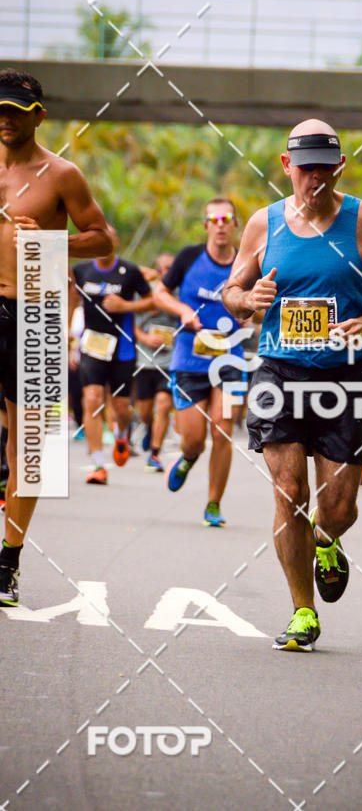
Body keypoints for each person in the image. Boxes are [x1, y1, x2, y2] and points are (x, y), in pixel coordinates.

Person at [223, 119, 362, 651]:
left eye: (326, 168)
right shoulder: (264, 224)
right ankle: (303, 611)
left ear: (340, 166)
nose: (315, 179)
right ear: (286, 167)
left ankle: (327, 540)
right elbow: (231, 289)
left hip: (344, 376)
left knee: (340, 507)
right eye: (306, 169)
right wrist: (245, 301)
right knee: (289, 492)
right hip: (279, 370)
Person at [0, 68, 112, 606]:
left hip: (38, 311)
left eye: (15, 113)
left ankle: (8, 561)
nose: (3, 120)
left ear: (38, 116)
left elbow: (101, 237)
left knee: (32, 449)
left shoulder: (61, 174)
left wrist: (49, 239)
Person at [153, 198, 246, 527]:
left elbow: (261, 300)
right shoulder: (189, 257)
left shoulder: (247, 262)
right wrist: (182, 311)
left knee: (222, 431)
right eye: (213, 219)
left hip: (231, 357)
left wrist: (250, 311)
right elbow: (160, 293)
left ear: (235, 224)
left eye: (226, 219)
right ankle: (188, 458)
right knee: (193, 438)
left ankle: (213, 504)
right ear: (206, 224)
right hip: (190, 357)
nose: (220, 224)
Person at [72, 225, 154, 484]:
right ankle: (98, 464)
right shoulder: (82, 271)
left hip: (123, 348)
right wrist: (67, 335)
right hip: (92, 346)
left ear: (116, 241)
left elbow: (152, 301)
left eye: (110, 237)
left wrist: (126, 305)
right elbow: (72, 300)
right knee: (92, 399)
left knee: (121, 408)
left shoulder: (129, 271)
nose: (105, 242)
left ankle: (121, 433)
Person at [134, 253, 177, 472]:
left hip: (169, 361)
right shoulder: (144, 293)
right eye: (165, 268)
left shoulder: (180, 293)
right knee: (144, 411)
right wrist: (146, 339)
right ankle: (149, 428)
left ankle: (154, 453)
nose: (169, 272)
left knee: (164, 404)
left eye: (173, 268)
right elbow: (132, 324)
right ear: (158, 271)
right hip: (145, 359)